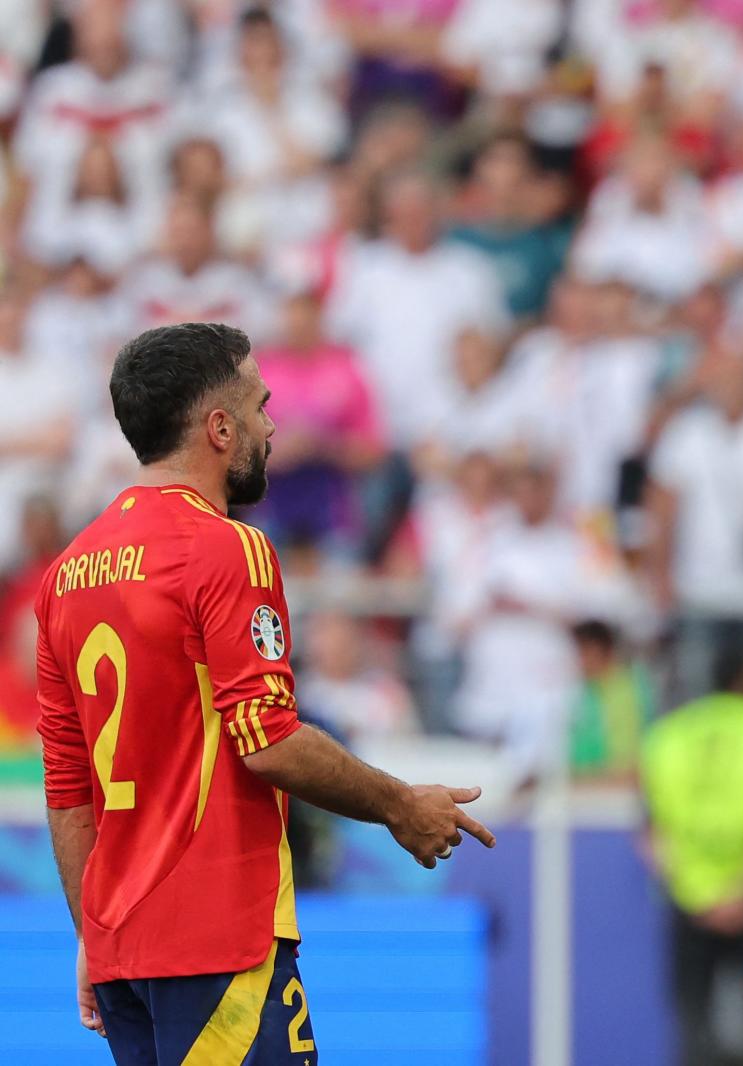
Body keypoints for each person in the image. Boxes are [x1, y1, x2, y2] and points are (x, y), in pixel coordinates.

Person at [35, 322, 496, 1064]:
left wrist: (92, 933)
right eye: (260, 406)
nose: (271, 426)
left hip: (123, 953)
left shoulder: (66, 573)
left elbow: (67, 788)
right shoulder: (227, 548)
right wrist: (401, 807)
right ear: (220, 428)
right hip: (217, 938)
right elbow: (270, 741)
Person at [641, 651, 743, 1066]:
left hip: (690, 898)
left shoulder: (667, 734)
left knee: (694, 1022)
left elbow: (650, 835)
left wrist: (694, 894)